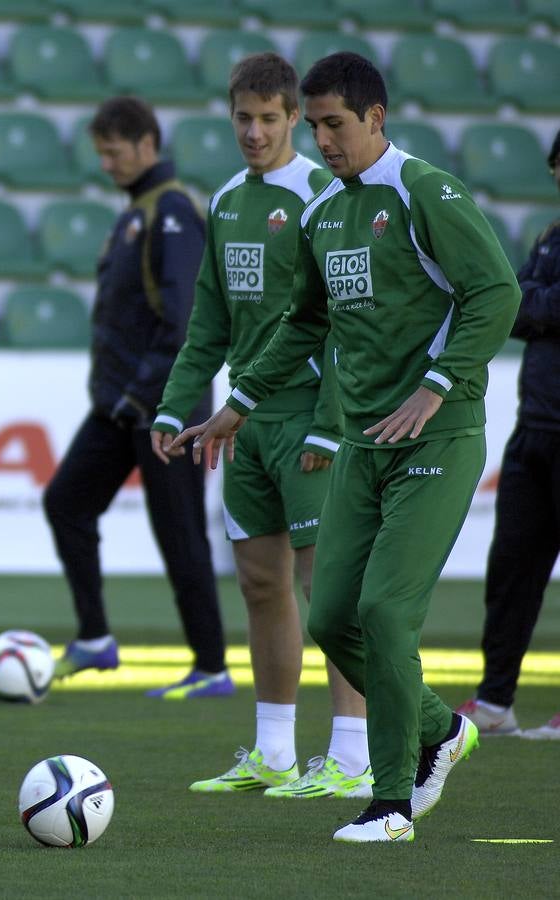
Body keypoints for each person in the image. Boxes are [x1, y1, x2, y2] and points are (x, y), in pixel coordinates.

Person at [174, 52, 521, 842]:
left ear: (376, 118)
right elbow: (304, 321)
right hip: (366, 443)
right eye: (319, 125)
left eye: (336, 124)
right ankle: (440, 729)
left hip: (439, 436)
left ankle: (391, 798)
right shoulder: (323, 213)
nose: (325, 141)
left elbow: (496, 292)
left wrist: (436, 385)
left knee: (385, 613)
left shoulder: (423, 191)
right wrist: (241, 403)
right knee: (332, 616)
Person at [150, 53, 372, 798]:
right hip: (244, 422)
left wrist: (331, 424)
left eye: (269, 119)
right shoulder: (227, 202)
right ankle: (274, 751)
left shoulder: (320, 193)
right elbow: (207, 321)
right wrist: (175, 404)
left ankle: (350, 756)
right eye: (242, 118)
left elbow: (345, 320)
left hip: (310, 418)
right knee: (259, 584)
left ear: (292, 121)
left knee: (326, 587)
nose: (253, 132)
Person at [45, 96, 230, 698]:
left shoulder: (172, 213)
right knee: (66, 500)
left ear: (147, 145)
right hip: (122, 405)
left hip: (163, 406)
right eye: (100, 152)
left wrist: (147, 395)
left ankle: (212, 668)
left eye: (114, 151)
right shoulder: (138, 213)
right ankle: (95, 639)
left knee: (179, 532)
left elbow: (183, 321)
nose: (106, 163)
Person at [456, 129, 560, 742]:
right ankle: (496, 700)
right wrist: (538, 304)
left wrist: (535, 303)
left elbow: (526, 304)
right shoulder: (549, 240)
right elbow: (509, 306)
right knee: (512, 571)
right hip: (534, 428)